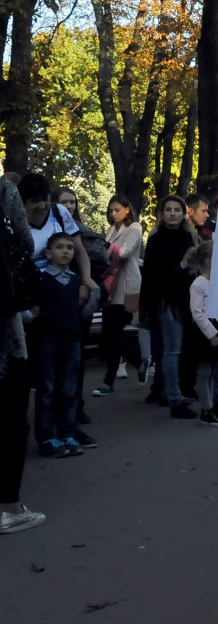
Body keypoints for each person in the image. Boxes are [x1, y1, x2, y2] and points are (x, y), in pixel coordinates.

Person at [17, 174, 97, 447]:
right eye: (34, 202)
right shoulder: (14, 218)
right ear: (23, 202)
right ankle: (43, 433)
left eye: (45, 200)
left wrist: (85, 282)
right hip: (35, 306)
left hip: (69, 298)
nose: (41, 206)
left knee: (69, 377)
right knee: (44, 380)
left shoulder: (59, 214)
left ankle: (70, 429)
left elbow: (80, 250)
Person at [0, 177, 44, 532]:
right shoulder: (3, 189)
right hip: (3, 322)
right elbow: (24, 242)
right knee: (12, 411)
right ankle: (10, 507)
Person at [28, 233, 96, 457]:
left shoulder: (77, 280)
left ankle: (67, 433)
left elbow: (82, 309)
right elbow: (34, 310)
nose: (65, 251)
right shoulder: (41, 279)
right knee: (47, 389)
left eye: (69, 247)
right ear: (48, 253)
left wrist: (91, 291)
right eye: (59, 247)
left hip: (72, 339)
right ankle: (47, 437)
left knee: (68, 390)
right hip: (47, 340)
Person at [142, 196, 202, 418]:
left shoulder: (188, 236)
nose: (173, 213)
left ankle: (179, 390)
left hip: (188, 300)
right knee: (172, 349)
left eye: (177, 209)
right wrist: (181, 266)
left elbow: (193, 268)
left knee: (184, 349)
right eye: (168, 209)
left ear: (184, 213)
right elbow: (152, 276)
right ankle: (174, 399)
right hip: (167, 302)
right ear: (162, 213)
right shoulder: (156, 240)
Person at [92, 196, 144, 396]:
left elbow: (123, 253)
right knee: (110, 336)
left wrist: (101, 249)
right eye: (110, 210)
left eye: (116, 210)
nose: (113, 214)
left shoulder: (134, 228)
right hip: (109, 288)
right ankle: (112, 379)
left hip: (127, 287)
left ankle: (132, 365)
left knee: (113, 335)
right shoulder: (111, 230)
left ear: (127, 210)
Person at [181, 241, 218, 427]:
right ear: (207, 260)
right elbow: (197, 312)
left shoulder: (217, 282)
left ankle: (211, 407)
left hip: (217, 329)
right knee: (204, 372)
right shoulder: (198, 283)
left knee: (213, 372)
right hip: (203, 333)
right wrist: (211, 335)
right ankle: (206, 410)